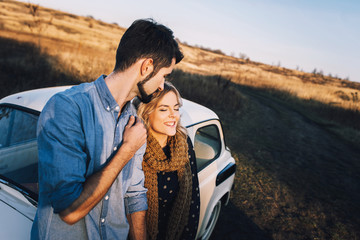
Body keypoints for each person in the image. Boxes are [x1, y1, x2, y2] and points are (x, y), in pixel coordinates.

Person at [31, 18, 183, 240]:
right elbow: (70, 210)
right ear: (147, 67)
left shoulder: (135, 122)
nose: (162, 86)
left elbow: (134, 193)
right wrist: (127, 150)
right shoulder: (68, 108)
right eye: (164, 76)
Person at [137, 82, 200, 240]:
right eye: (164, 109)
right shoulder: (136, 148)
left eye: (176, 108)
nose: (174, 115)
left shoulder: (183, 144)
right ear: (146, 113)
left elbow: (193, 198)